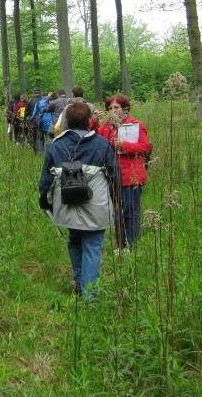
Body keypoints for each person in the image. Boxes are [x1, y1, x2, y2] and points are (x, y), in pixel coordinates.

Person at [39, 101, 120, 299]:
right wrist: (117, 199)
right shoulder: (102, 145)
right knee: (93, 245)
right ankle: (89, 294)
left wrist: (45, 202)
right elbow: (115, 175)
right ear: (89, 120)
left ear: (66, 120)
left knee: (74, 240)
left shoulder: (56, 146)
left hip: (66, 205)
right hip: (96, 206)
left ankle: (79, 280)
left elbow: (46, 180)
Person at [97, 94, 151, 249]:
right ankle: (121, 246)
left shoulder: (136, 125)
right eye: (110, 108)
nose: (113, 111)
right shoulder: (107, 126)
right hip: (112, 176)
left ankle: (131, 246)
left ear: (125, 109)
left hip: (131, 176)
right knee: (117, 212)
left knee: (130, 212)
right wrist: (93, 122)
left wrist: (124, 146)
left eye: (116, 107)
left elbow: (145, 147)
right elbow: (94, 139)